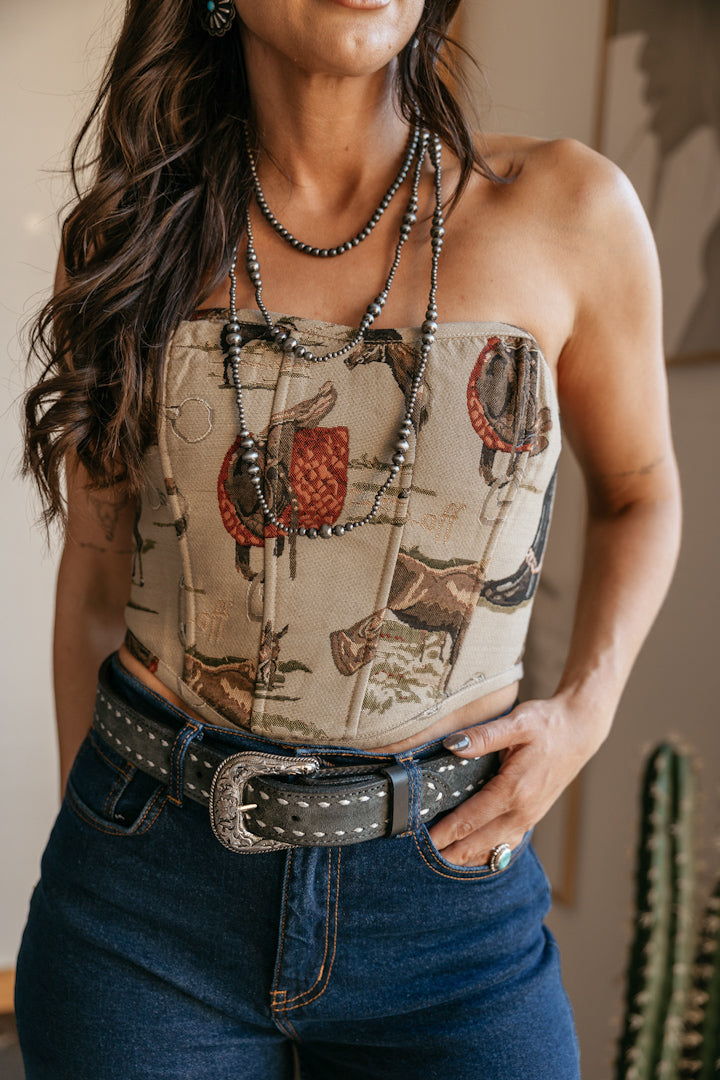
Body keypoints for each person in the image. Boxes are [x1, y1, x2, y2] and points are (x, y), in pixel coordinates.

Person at [14, 1, 681, 1077]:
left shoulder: (571, 210)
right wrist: (99, 841)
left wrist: (586, 712)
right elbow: (93, 576)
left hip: (449, 906)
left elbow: (643, 489)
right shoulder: (129, 236)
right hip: (144, 904)